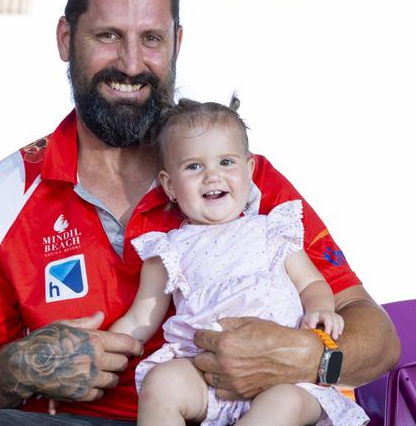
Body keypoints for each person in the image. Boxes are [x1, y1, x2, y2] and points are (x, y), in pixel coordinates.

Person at [0, 0, 400, 425]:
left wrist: (303, 356)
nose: (131, 64)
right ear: (66, 38)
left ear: (177, 42)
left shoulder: (243, 179)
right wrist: (17, 369)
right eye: (108, 35)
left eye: (151, 38)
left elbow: (377, 339)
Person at [105, 96, 369, 425]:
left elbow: (311, 282)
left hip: (286, 378)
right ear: (170, 185)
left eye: (226, 162)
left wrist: (320, 309)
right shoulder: (168, 251)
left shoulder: (272, 231)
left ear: (249, 170)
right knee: (163, 384)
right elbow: (138, 321)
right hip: (205, 374)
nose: (212, 176)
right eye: (194, 166)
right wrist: (104, 346)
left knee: (284, 404)